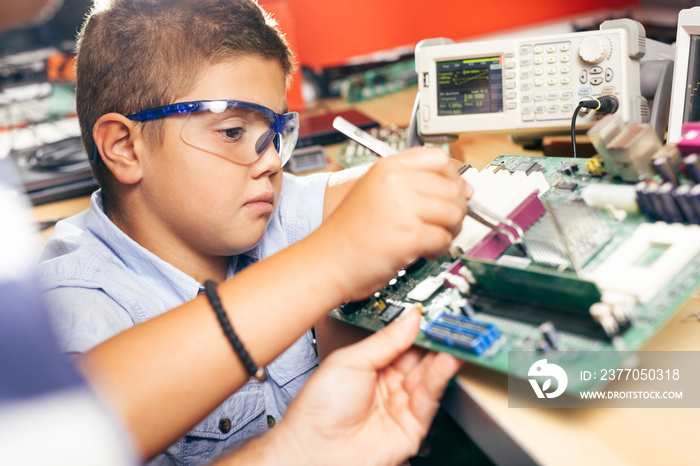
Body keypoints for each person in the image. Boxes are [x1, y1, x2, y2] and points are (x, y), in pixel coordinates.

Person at [35, 0, 473, 463]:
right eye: (232, 132)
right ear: (125, 146)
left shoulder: (258, 213)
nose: (268, 161)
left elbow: (402, 192)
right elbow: (71, 434)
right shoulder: (71, 306)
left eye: (275, 131)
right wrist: (333, 258)